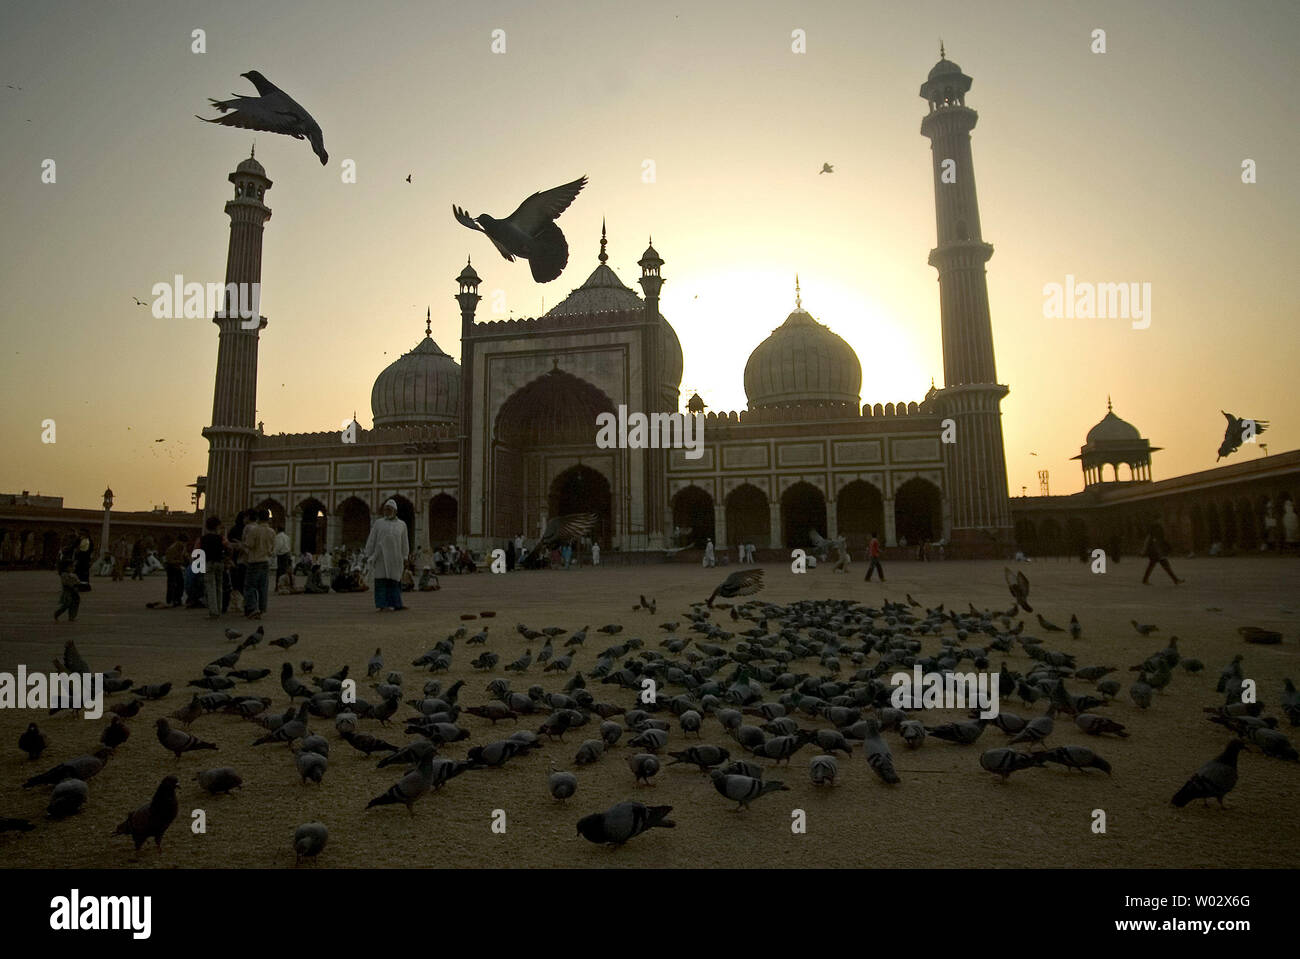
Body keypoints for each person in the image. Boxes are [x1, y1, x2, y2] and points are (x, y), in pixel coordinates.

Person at [363, 499, 409, 611]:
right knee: (380, 581)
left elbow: (404, 542)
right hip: (381, 557)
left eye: (389, 509)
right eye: (385, 509)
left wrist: (405, 557)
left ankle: (397, 604)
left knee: (395, 581)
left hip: (395, 557)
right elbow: (372, 539)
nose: (387, 511)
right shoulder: (379, 523)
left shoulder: (401, 525)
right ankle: (382, 604)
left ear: (395, 511)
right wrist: (367, 554)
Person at [241, 508, 276, 618]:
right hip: (266, 562)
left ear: (258, 518)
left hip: (255, 561)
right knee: (263, 587)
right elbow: (272, 549)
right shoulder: (272, 532)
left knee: (250, 587)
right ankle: (262, 609)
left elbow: (249, 545)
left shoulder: (254, 530)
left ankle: (252, 608)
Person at [199, 516, 227, 618]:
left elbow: (200, 552)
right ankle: (218, 610)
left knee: (210, 588)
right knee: (219, 587)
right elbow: (227, 548)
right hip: (219, 563)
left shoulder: (204, 538)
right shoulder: (221, 538)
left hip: (209, 563)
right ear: (217, 527)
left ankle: (213, 612)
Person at [54, 553, 81, 622]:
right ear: (65, 567)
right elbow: (66, 583)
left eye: (73, 567)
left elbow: (78, 581)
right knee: (66, 604)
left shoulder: (74, 575)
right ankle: (57, 613)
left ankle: (72, 617)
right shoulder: (64, 575)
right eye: (71, 567)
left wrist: (78, 583)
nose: (73, 568)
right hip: (68, 592)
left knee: (74, 604)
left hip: (75, 592)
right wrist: (73, 584)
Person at [163, 534, 188, 607]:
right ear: (179, 541)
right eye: (183, 542)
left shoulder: (182, 547)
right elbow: (169, 560)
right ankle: (170, 600)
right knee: (172, 584)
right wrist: (180, 562)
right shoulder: (172, 549)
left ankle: (178, 599)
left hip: (177, 567)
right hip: (171, 567)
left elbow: (183, 556)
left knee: (180, 583)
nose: (184, 544)